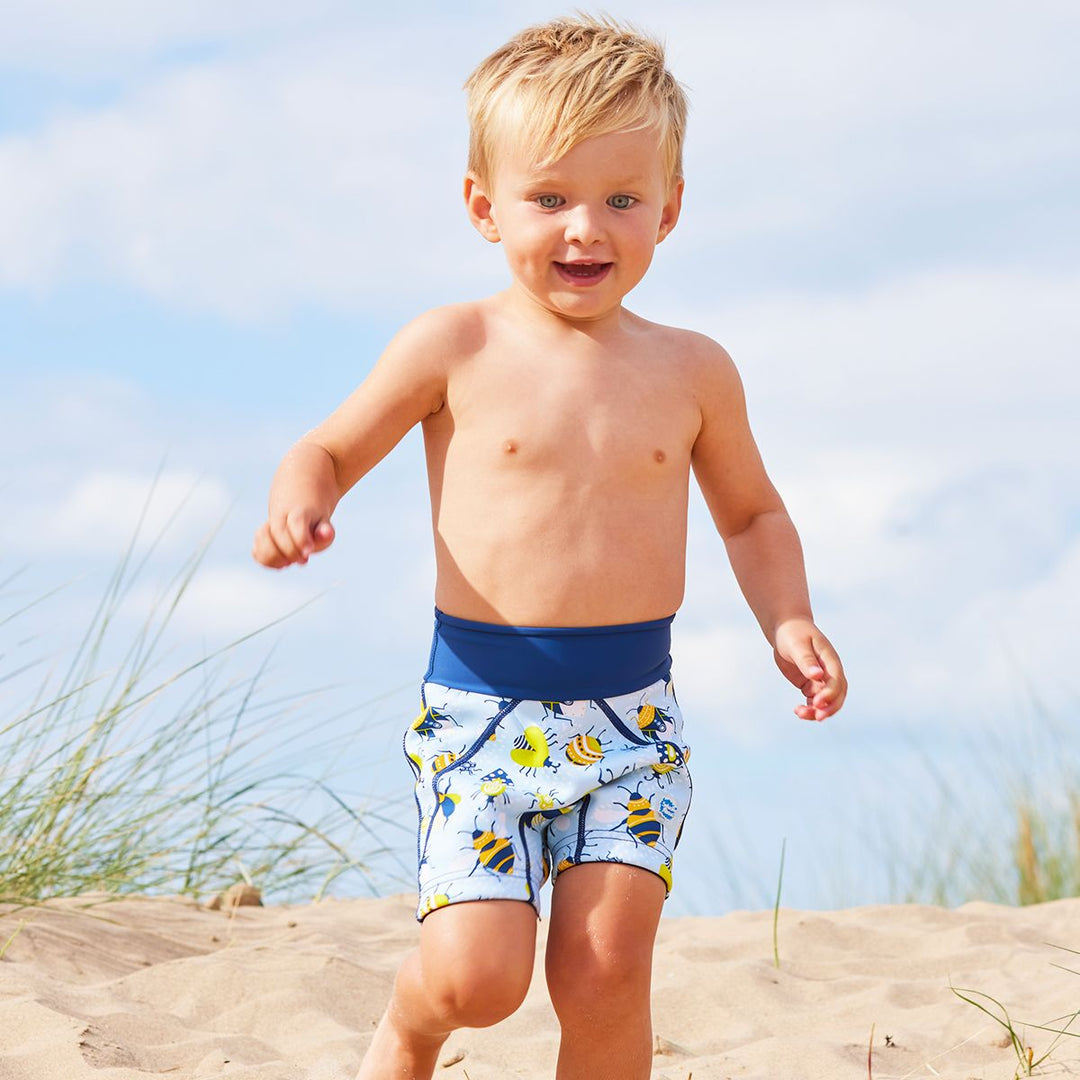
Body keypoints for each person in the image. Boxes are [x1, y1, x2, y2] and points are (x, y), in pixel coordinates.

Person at [253, 14, 846, 1080]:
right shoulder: (454, 345)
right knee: (478, 979)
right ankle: (410, 1028)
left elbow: (753, 515)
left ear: (670, 208)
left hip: (633, 720)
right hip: (483, 716)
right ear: (484, 206)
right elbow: (331, 446)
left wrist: (789, 618)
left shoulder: (694, 370)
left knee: (607, 969)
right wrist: (301, 498)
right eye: (550, 198)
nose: (587, 228)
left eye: (622, 199)